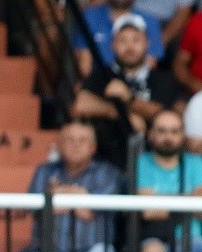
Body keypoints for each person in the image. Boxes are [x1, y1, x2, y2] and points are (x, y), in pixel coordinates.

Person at [72, 13, 179, 168]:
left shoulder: (162, 78)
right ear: (112, 45)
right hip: (104, 159)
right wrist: (121, 113)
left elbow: (162, 114)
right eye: (122, 41)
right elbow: (79, 106)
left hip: (151, 160)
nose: (130, 47)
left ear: (147, 43)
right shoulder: (102, 75)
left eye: (136, 40)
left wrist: (129, 99)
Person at [17, 121, 123, 252]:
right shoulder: (44, 171)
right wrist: (81, 201)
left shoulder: (107, 172)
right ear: (59, 145)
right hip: (45, 250)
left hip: (91, 248)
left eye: (82, 140)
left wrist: (57, 194)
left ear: (93, 147)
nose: (76, 145)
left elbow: (98, 208)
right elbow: (34, 206)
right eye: (70, 140)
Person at [135, 109, 202, 252]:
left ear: (183, 135)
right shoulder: (141, 163)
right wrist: (189, 201)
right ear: (150, 133)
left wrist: (162, 201)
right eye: (162, 131)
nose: (168, 137)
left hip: (196, 239)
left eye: (174, 131)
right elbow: (149, 210)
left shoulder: (196, 163)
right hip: (157, 238)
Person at [73, 0, 163, 78]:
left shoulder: (150, 22)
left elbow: (149, 66)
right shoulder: (89, 17)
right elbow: (85, 67)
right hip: (97, 83)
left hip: (137, 85)